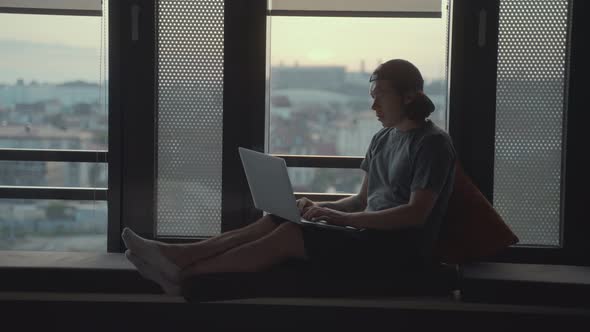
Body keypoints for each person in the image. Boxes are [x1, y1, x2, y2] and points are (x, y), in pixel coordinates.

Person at [122, 59, 457, 296]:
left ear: (409, 96)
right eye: (372, 97)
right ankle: (177, 256)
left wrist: (341, 218)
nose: (374, 106)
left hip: (398, 251)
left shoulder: (432, 144)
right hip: (367, 236)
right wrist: (320, 208)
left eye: (380, 95)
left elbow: (416, 214)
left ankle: (182, 274)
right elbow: (361, 200)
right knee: (278, 218)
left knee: (288, 237)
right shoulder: (383, 139)